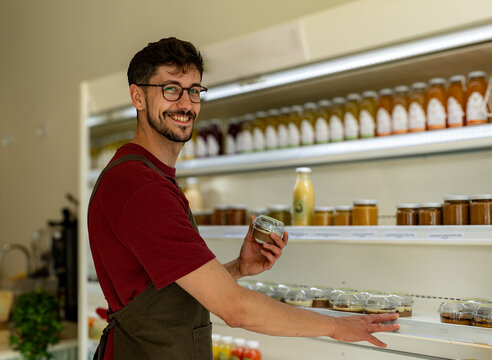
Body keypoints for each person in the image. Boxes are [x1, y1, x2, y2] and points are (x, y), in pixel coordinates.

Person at [88, 37, 399, 360]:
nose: (185, 103)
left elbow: (168, 291)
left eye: (194, 90)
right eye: (171, 89)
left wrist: (239, 267)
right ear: (138, 96)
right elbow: (235, 309)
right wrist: (336, 327)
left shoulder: (143, 176)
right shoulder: (142, 187)